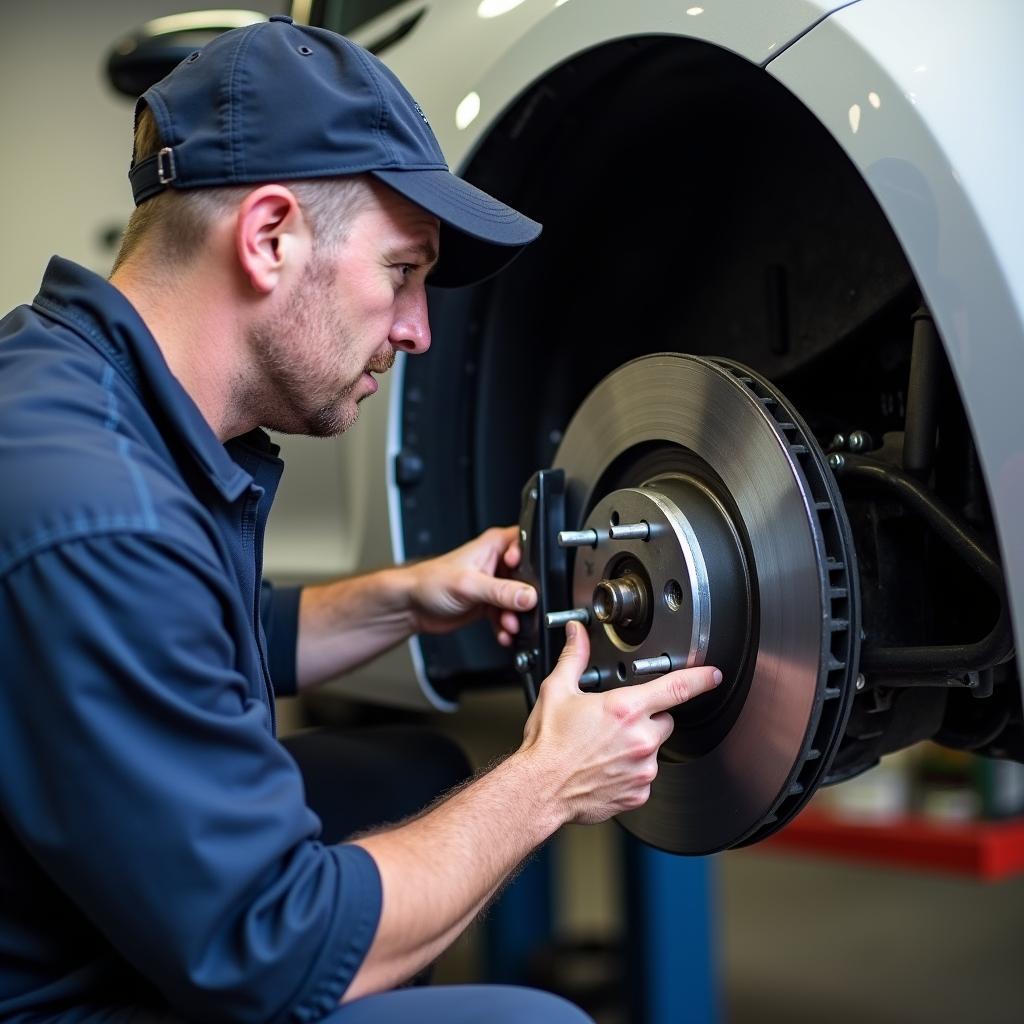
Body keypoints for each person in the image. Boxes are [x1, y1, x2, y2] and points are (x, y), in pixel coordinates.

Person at [0, 16, 722, 1024]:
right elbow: (276, 947)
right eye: (402, 272)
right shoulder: (102, 513)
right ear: (269, 236)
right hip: (54, 994)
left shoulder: (69, 381)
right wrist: (551, 778)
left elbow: (206, 636)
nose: (419, 329)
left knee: (410, 772)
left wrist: (408, 597)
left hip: (66, 898)